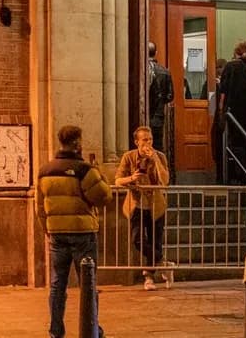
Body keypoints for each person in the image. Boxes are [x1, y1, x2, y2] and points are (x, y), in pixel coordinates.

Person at [36, 125, 111, 338]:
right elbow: (103, 197)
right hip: (82, 233)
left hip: (57, 234)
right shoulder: (84, 170)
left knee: (57, 284)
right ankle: (92, 328)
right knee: (88, 282)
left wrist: (47, 229)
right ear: (77, 142)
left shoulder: (45, 171)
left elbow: (40, 206)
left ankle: (55, 330)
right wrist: (100, 174)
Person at [115, 126, 172, 290]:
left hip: (156, 204)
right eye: (145, 140)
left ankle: (149, 277)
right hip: (136, 204)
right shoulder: (129, 157)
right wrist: (132, 178)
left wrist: (155, 159)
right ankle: (163, 263)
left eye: (150, 139)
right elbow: (118, 180)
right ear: (136, 142)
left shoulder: (160, 156)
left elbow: (165, 180)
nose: (148, 143)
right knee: (137, 240)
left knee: (156, 240)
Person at [216, 42, 246, 183]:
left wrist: (221, 110)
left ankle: (233, 175)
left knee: (231, 142)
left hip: (232, 110)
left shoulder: (230, 66)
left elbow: (223, 91)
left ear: (236, 53)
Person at [146, 42, 173, 156]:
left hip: (142, 115)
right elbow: (170, 96)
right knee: (157, 147)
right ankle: (158, 172)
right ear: (156, 53)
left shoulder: (140, 69)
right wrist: (161, 102)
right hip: (158, 116)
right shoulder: (164, 72)